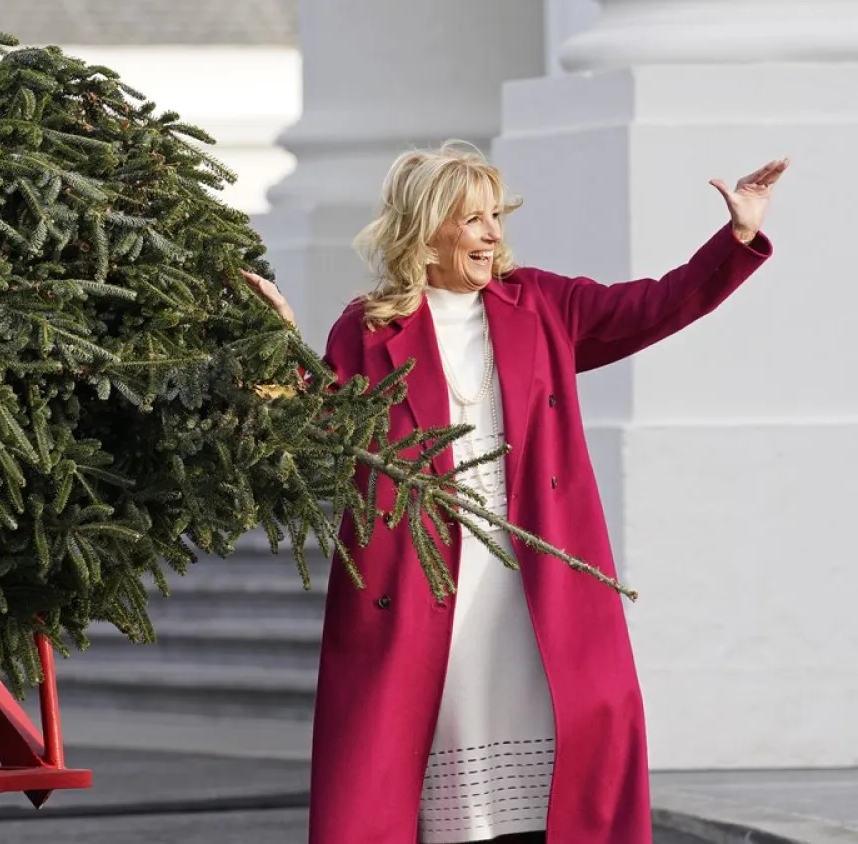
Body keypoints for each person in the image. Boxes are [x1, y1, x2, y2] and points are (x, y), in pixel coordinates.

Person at [243, 141, 786, 844]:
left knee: (568, 742)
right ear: (427, 230)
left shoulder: (544, 304)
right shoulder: (370, 328)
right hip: (425, 577)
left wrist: (736, 237)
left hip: (536, 570)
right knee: (431, 775)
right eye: (473, 219)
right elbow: (329, 425)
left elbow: (655, 305)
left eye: (496, 216)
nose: (493, 233)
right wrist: (279, 345)